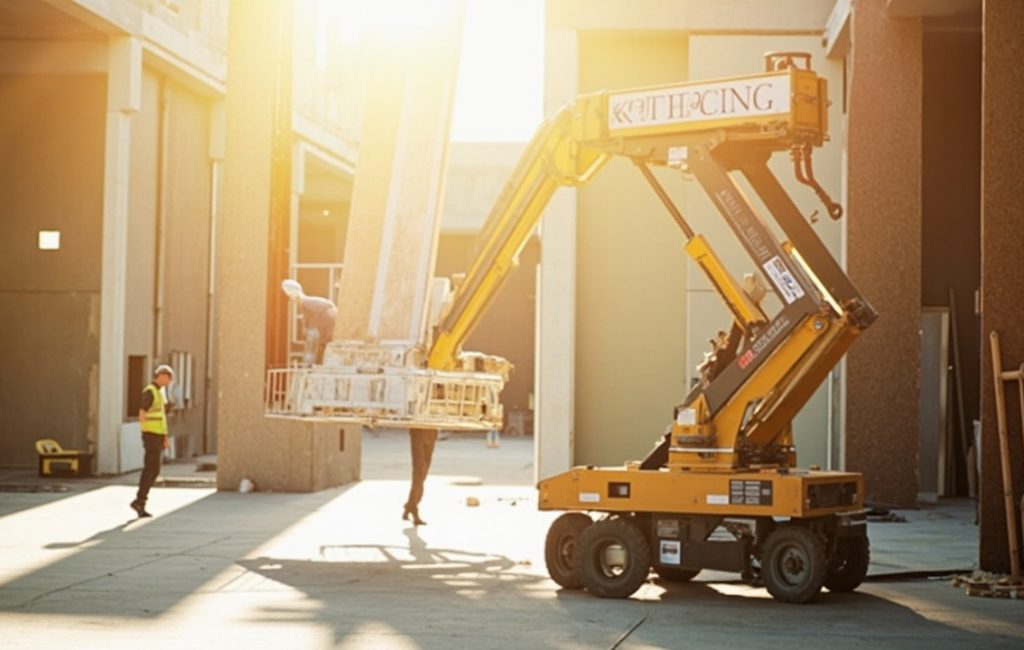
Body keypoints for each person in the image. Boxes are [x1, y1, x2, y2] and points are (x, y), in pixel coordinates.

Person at [131, 365, 175, 518]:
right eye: (169, 377)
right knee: (151, 469)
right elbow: (142, 414)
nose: (171, 380)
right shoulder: (150, 391)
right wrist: (147, 431)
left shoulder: (159, 392)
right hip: (151, 435)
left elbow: (161, 418)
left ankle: (140, 501)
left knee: (154, 469)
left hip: (157, 435)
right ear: (161, 375)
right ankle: (140, 501)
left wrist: (164, 437)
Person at [281, 279, 337, 365]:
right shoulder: (305, 305)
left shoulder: (307, 302)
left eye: (289, 296)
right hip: (326, 335)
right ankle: (309, 364)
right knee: (311, 336)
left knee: (312, 335)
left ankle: (308, 365)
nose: (290, 300)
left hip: (327, 331)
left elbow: (329, 307)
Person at [403, 428, 437, 526]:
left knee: (424, 472)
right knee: (419, 471)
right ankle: (413, 507)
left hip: (431, 432)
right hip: (418, 432)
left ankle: (410, 505)